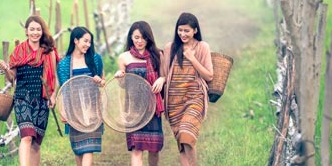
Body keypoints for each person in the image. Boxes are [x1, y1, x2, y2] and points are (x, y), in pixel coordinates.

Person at [0, 15, 59, 166]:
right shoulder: (19, 51)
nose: (35, 33)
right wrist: (6, 69)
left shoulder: (48, 52)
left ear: (42, 31)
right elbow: (12, 78)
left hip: (42, 100)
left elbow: (54, 76)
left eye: (38, 29)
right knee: (26, 137)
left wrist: (53, 96)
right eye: (32, 29)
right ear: (26, 31)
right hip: (22, 98)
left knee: (36, 143)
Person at [160, 12, 214, 166]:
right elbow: (164, 74)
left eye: (187, 31)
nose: (182, 34)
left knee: (187, 136)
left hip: (194, 98)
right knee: (182, 143)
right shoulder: (170, 48)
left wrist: (192, 58)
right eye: (180, 30)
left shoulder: (202, 47)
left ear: (195, 30)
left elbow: (209, 76)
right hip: (174, 101)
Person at [113, 21, 165, 166]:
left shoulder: (158, 55)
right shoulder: (124, 57)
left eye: (143, 38)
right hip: (134, 109)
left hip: (152, 108)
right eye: (136, 37)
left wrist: (162, 78)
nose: (140, 41)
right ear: (131, 37)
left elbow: (164, 75)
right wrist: (120, 76)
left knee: (154, 150)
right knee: (137, 149)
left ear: (149, 38)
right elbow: (124, 85)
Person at [56, 26, 105, 166]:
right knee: (78, 150)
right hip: (75, 112)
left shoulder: (95, 59)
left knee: (88, 149)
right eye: (85, 41)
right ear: (75, 40)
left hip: (92, 111)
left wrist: (99, 81)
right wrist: (63, 111)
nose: (88, 45)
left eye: (90, 42)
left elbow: (103, 82)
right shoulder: (64, 64)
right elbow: (63, 90)